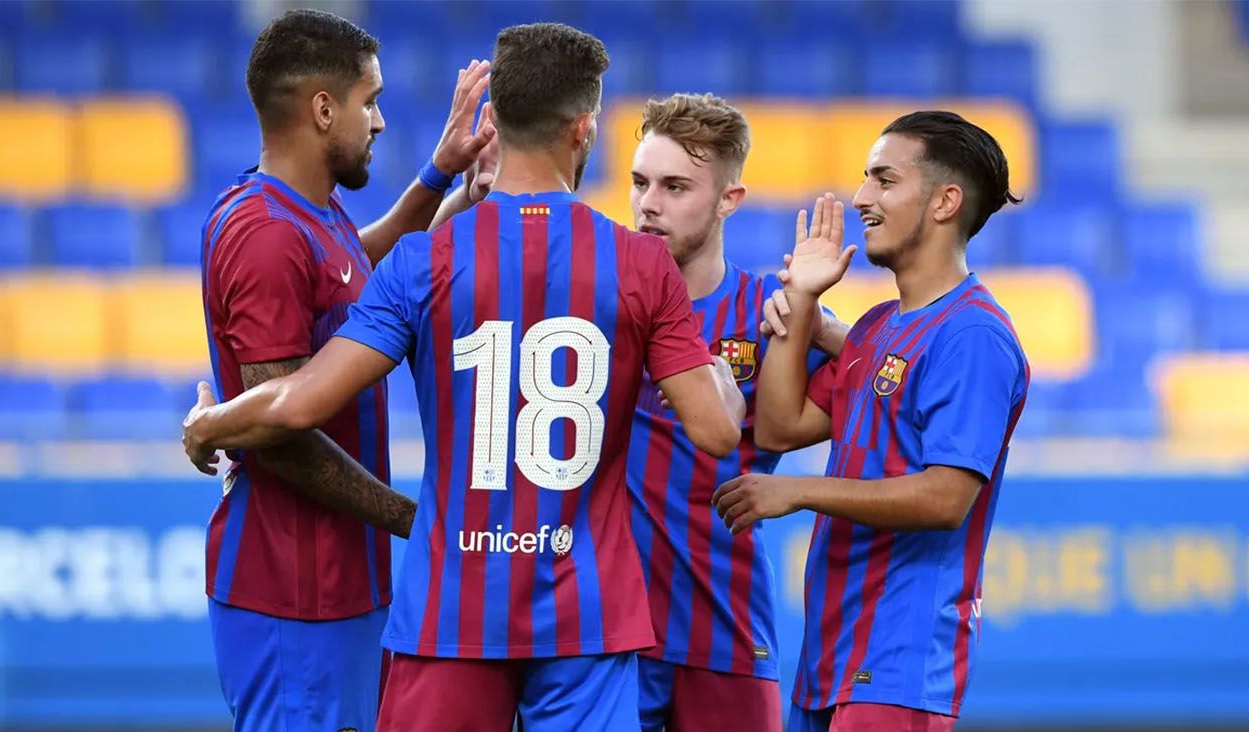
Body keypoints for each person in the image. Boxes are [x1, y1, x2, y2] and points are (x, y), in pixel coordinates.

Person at [182, 22, 747, 732]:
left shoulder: (424, 264)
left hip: (455, 605)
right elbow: (718, 430)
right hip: (587, 609)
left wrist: (210, 423)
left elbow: (298, 402)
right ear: (584, 129)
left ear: (497, 121)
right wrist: (719, 369)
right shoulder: (641, 266)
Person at [194, 8, 494, 731]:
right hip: (292, 588)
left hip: (339, 583)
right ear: (324, 110)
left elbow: (357, 268)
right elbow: (281, 426)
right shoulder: (265, 235)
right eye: (371, 101)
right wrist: (415, 520)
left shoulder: (310, 215)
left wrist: (442, 178)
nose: (381, 122)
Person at [714, 111, 1030, 731]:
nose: (861, 197)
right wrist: (802, 302)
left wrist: (798, 490)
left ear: (944, 201)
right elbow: (780, 428)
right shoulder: (879, 325)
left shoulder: (973, 335)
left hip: (901, 661)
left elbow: (945, 498)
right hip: (833, 650)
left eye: (884, 179)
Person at [622, 92, 846, 731]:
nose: (649, 204)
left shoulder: (769, 314)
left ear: (729, 199)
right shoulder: (598, 304)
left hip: (728, 622)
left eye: (675, 186)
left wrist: (823, 327)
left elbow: (897, 385)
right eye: (640, 182)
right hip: (611, 631)